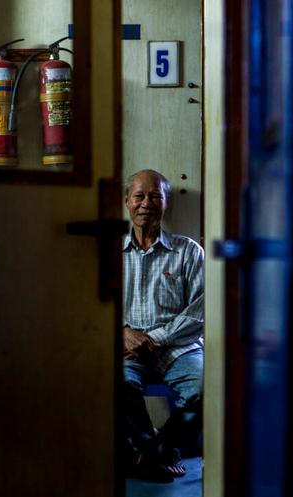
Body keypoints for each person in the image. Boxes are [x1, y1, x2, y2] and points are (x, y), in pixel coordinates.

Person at [121, 169, 205, 483]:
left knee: (203, 386)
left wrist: (151, 338)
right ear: (127, 202)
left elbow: (198, 314)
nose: (147, 203)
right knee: (118, 384)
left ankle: (163, 447)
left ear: (167, 203)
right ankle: (150, 451)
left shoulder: (188, 251)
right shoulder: (110, 252)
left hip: (178, 349)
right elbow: (93, 303)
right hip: (128, 350)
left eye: (156, 195)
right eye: (139, 195)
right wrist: (123, 334)